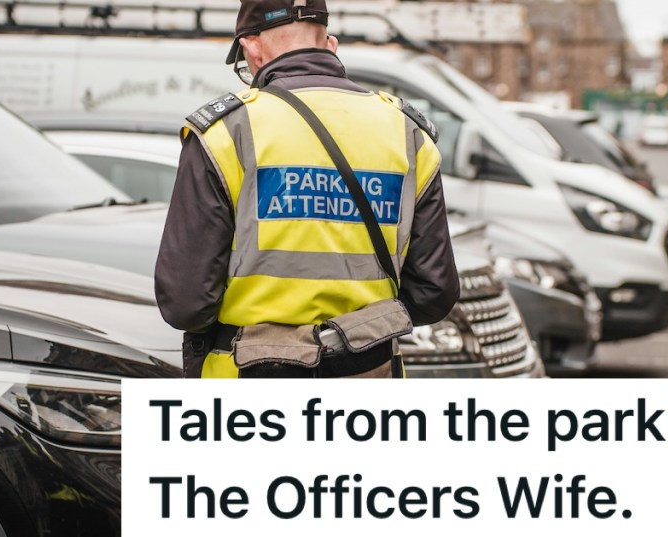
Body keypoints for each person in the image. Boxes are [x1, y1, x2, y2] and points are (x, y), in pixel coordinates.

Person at [155, 0, 460, 379]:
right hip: (368, 378)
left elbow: (185, 302)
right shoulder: (406, 131)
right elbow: (434, 292)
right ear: (329, 44)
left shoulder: (225, 131)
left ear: (251, 46)